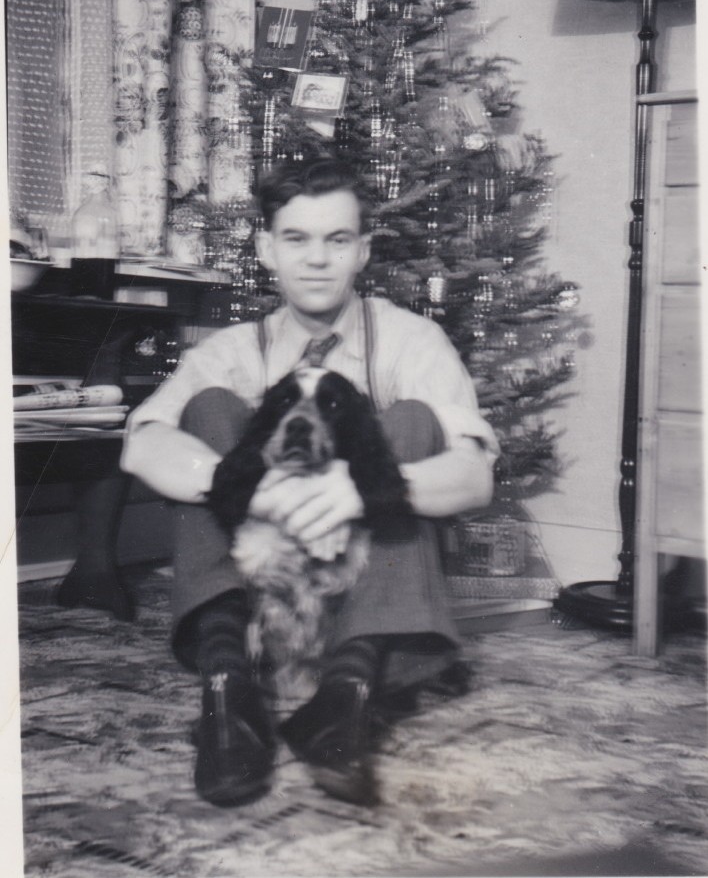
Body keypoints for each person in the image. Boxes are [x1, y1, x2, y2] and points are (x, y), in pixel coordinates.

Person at [121, 156, 499, 808]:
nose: (317, 259)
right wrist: (248, 487)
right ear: (267, 248)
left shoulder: (413, 340)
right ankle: (227, 692)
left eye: (337, 239)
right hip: (260, 600)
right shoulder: (235, 347)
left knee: (411, 419)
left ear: (363, 251)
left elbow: (473, 475)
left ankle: (343, 697)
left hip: (368, 600)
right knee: (209, 407)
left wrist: (365, 490)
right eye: (296, 239)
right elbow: (142, 442)